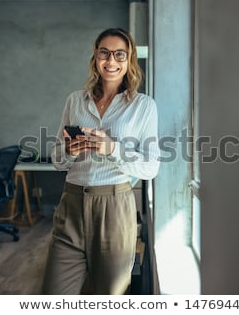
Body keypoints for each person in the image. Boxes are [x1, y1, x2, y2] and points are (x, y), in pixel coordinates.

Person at [42, 28, 160, 295]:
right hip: (71, 205)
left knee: (109, 296)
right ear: (95, 57)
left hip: (114, 208)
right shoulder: (75, 101)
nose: (111, 60)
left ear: (129, 60)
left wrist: (112, 149)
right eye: (104, 53)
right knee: (52, 295)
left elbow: (151, 167)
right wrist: (70, 151)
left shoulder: (144, 106)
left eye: (120, 54)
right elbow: (58, 161)